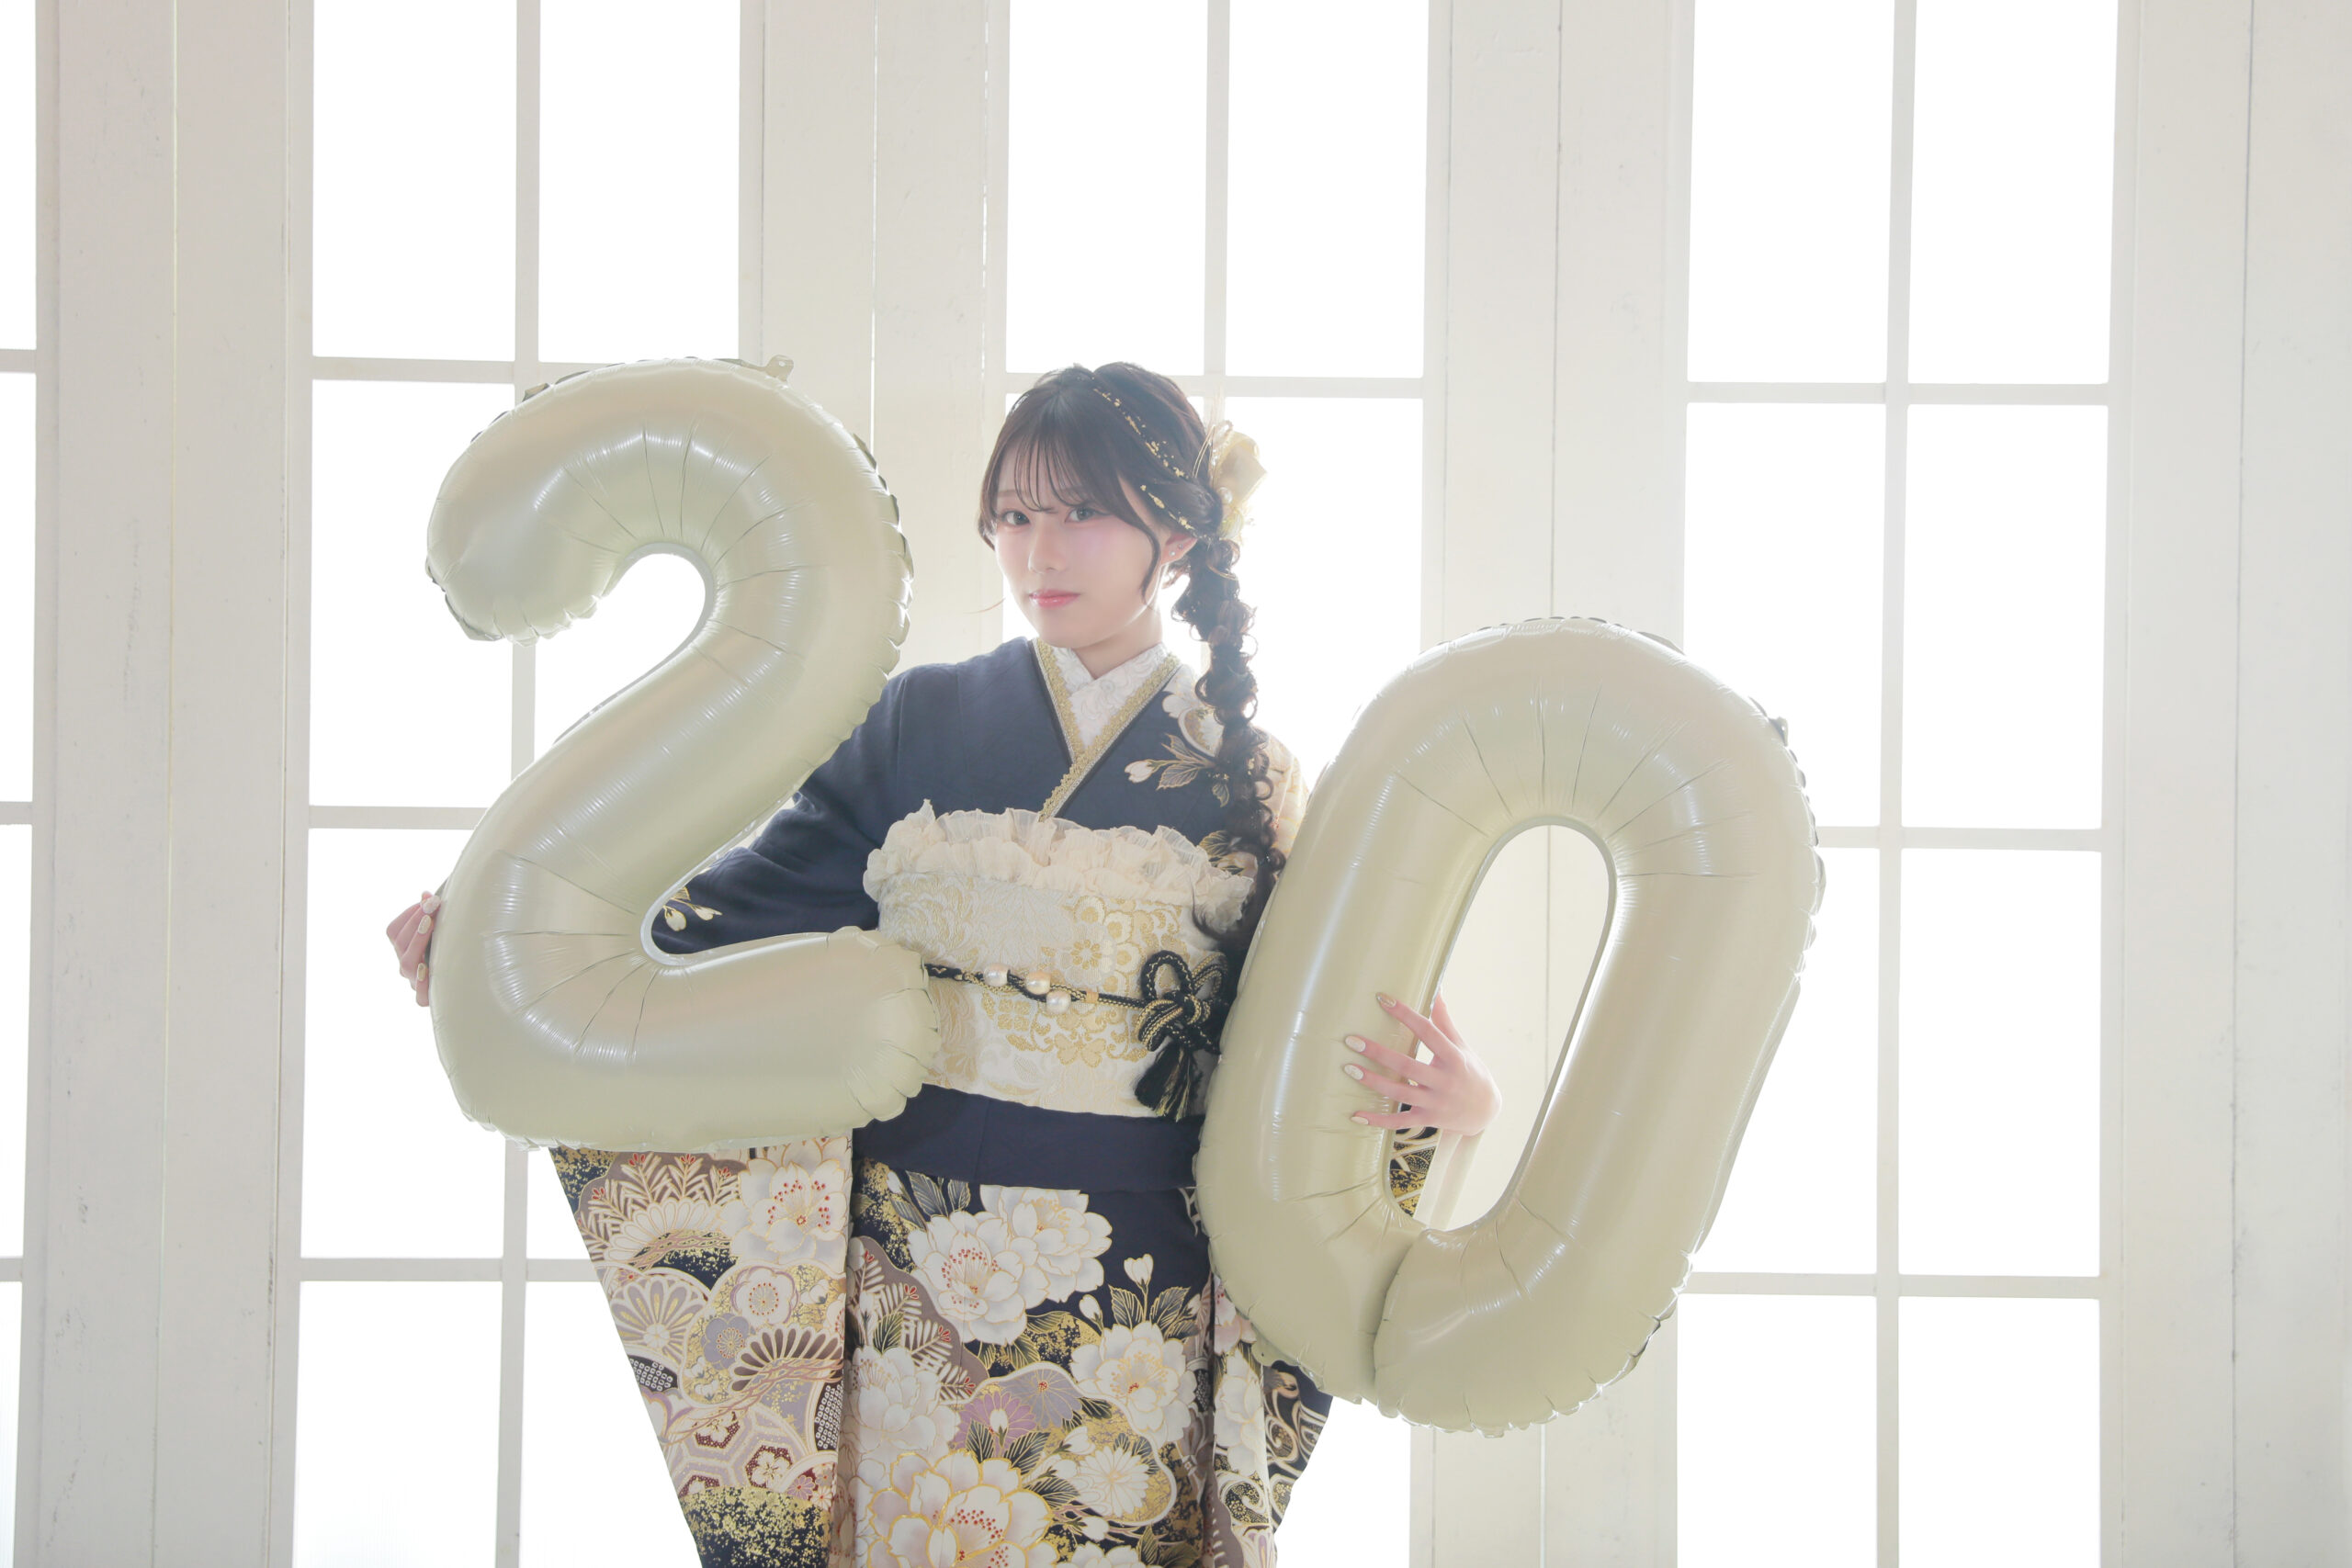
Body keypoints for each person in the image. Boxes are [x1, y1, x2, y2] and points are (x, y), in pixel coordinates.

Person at [385, 362, 1498, 1567]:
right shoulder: (915, 720)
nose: (1038, 552)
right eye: (1014, 516)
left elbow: (1318, 1031)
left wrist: (1454, 1104)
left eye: (1081, 512)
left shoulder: (1257, 778)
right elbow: (735, 915)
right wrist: (512, 945)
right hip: (913, 1265)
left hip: (1142, 1281)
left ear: (1177, 530)